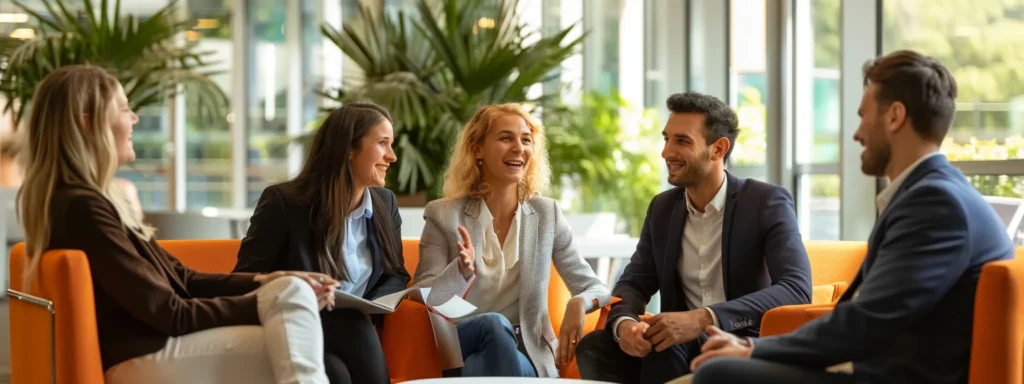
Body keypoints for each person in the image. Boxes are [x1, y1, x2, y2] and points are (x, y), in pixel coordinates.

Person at [688, 50, 1016, 384]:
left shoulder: (936, 203)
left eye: (863, 116)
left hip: (893, 376)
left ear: (894, 117)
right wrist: (754, 346)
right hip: (878, 367)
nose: (858, 133)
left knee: (719, 374)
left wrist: (754, 349)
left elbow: (867, 322)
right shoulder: (936, 193)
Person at [17, 65, 335, 383]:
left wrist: (266, 280)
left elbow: (184, 279)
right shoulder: (83, 208)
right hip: (143, 355)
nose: (135, 119)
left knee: (293, 301)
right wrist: (269, 301)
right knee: (296, 311)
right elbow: (169, 313)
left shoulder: (90, 201)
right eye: (125, 109)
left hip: (154, 347)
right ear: (88, 124)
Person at [574, 91, 813, 384]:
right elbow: (634, 281)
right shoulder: (662, 208)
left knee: (664, 343)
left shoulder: (766, 202)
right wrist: (626, 325)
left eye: (682, 141)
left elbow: (796, 289)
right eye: (666, 139)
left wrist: (702, 317)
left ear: (718, 149)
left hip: (739, 341)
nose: (666, 152)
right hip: (674, 345)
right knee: (596, 347)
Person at [414, 103, 611, 378]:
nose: (519, 148)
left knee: (481, 367)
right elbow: (424, 296)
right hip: (463, 342)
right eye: (506, 138)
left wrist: (579, 302)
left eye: (526, 140)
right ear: (478, 148)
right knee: (492, 326)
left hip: (524, 352)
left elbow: (595, 286)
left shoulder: (546, 214)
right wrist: (459, 273)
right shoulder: (444, 214)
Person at [234, 102, 409, 384]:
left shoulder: (385, 203)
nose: (392, 156)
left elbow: (395, 273)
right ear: (348, 149)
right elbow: (244, 278)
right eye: (382, 143)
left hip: (349, 333)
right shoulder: (283, 203)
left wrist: (373, 305)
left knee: (336, 371)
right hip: (295, 326)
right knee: (351, 329)